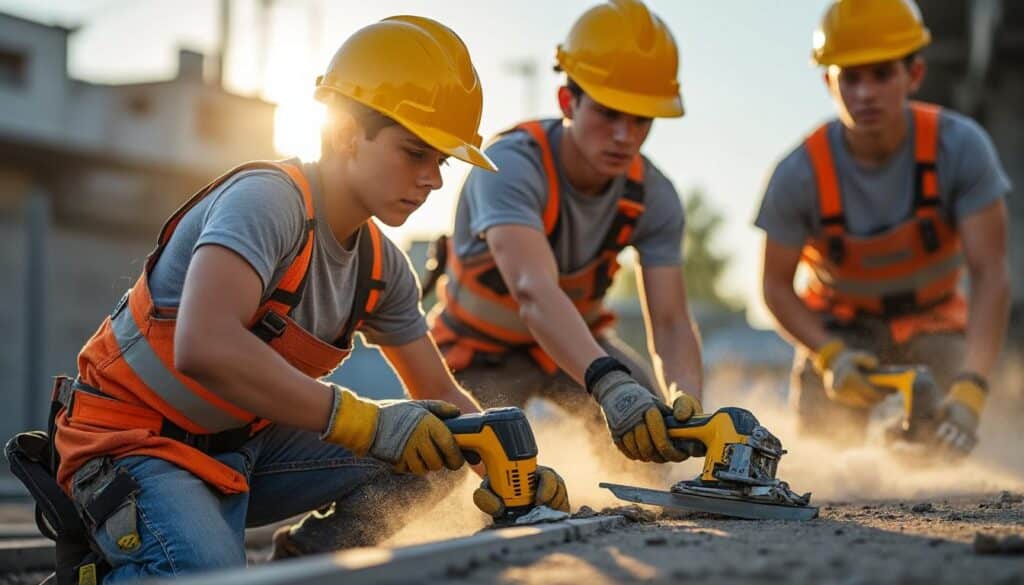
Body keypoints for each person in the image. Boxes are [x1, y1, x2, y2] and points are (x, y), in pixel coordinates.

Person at [41, 16, 568, 582]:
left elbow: (438, 391)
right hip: (130, 441)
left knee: (441, 445)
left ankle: (306, 569)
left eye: (440, 160)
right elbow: (205, 345)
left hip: (244, 449)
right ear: (345, 133)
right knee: (207, 576)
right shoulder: (267, 201)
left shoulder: (381, 266)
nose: (433, 179)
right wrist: (362, 422)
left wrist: (506, 465)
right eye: (415, 152)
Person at [425, 0, 704, 466]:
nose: (624, 135)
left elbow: (673, 321)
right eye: (609, 113)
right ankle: (311, 543)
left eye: (641, 119)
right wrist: (610, 382)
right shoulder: (511, 165)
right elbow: (534, 292)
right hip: (478, 356)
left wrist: (688, 400)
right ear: (566, 101)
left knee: (653, 442)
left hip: (578, 351)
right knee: (440, 470)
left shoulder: (654, 195)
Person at [756, 0, 1011, 454]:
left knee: (949, 449)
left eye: (881, 74)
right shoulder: (799, 173)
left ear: (913, 74)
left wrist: (971, 388)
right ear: (827, 82)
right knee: (825, 457)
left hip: (934, 328)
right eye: (850, 77)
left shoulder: (962, 148)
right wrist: (830, 355)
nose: (865, 93)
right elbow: (775, 286)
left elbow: (991, 273)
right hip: (840, 335)